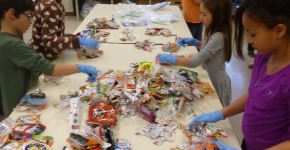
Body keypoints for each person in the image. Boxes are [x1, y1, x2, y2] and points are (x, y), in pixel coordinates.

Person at [188, 0, 290, 149]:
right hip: (249, 143)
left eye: (253, 34)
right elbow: (255, 94)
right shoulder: (264, 56)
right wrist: (221, 113)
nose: (248, 40)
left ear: (279, 31)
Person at [0, 0, 98, 117]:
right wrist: (81, 68)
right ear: (11, 14)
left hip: (24, 94)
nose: (31, 22)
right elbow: (50, 69)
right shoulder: (12, 44)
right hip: (18, 107)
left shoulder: (7, 39)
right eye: (29, 16)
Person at [156, 0, 232, 107]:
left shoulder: (219, 36)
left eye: (204, 14)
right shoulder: (211, 29)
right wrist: (196, 43)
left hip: (216, 81)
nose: (201, 17)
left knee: (216, 108)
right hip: (207, 76)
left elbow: (194, 62)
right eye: (201, 13)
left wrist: (172, 59)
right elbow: (209, 50)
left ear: (218, 16)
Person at [28, 0, 99, 61]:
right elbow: (48, 40)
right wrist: (77, 42)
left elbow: (57, 34)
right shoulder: (50, 5)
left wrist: (77, 38)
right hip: (44, 59)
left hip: (50, 55)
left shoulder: (56, 3)